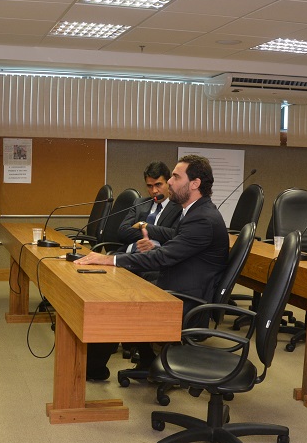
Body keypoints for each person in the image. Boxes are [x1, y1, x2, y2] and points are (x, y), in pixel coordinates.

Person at [77, 154, 230, 380]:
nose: (170, 182)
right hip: (175, 285)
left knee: (115, 304)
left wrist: (111, 260)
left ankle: (93, 368)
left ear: (195, 184)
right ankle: (143, 360)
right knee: (121, 286)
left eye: (176, 177)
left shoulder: (202, 219)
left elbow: (163, 257)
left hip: (184, 300)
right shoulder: (195, 212)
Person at [117, 161, 181, 255]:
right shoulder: (140, 203)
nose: (154, 191)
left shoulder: (179, 207)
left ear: (168, 183)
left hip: (157, 257)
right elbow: (122, 232)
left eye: (158, 185)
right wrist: (152, 237)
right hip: (128, 254)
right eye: (150, 186)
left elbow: (174, 234)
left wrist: (143, 226)